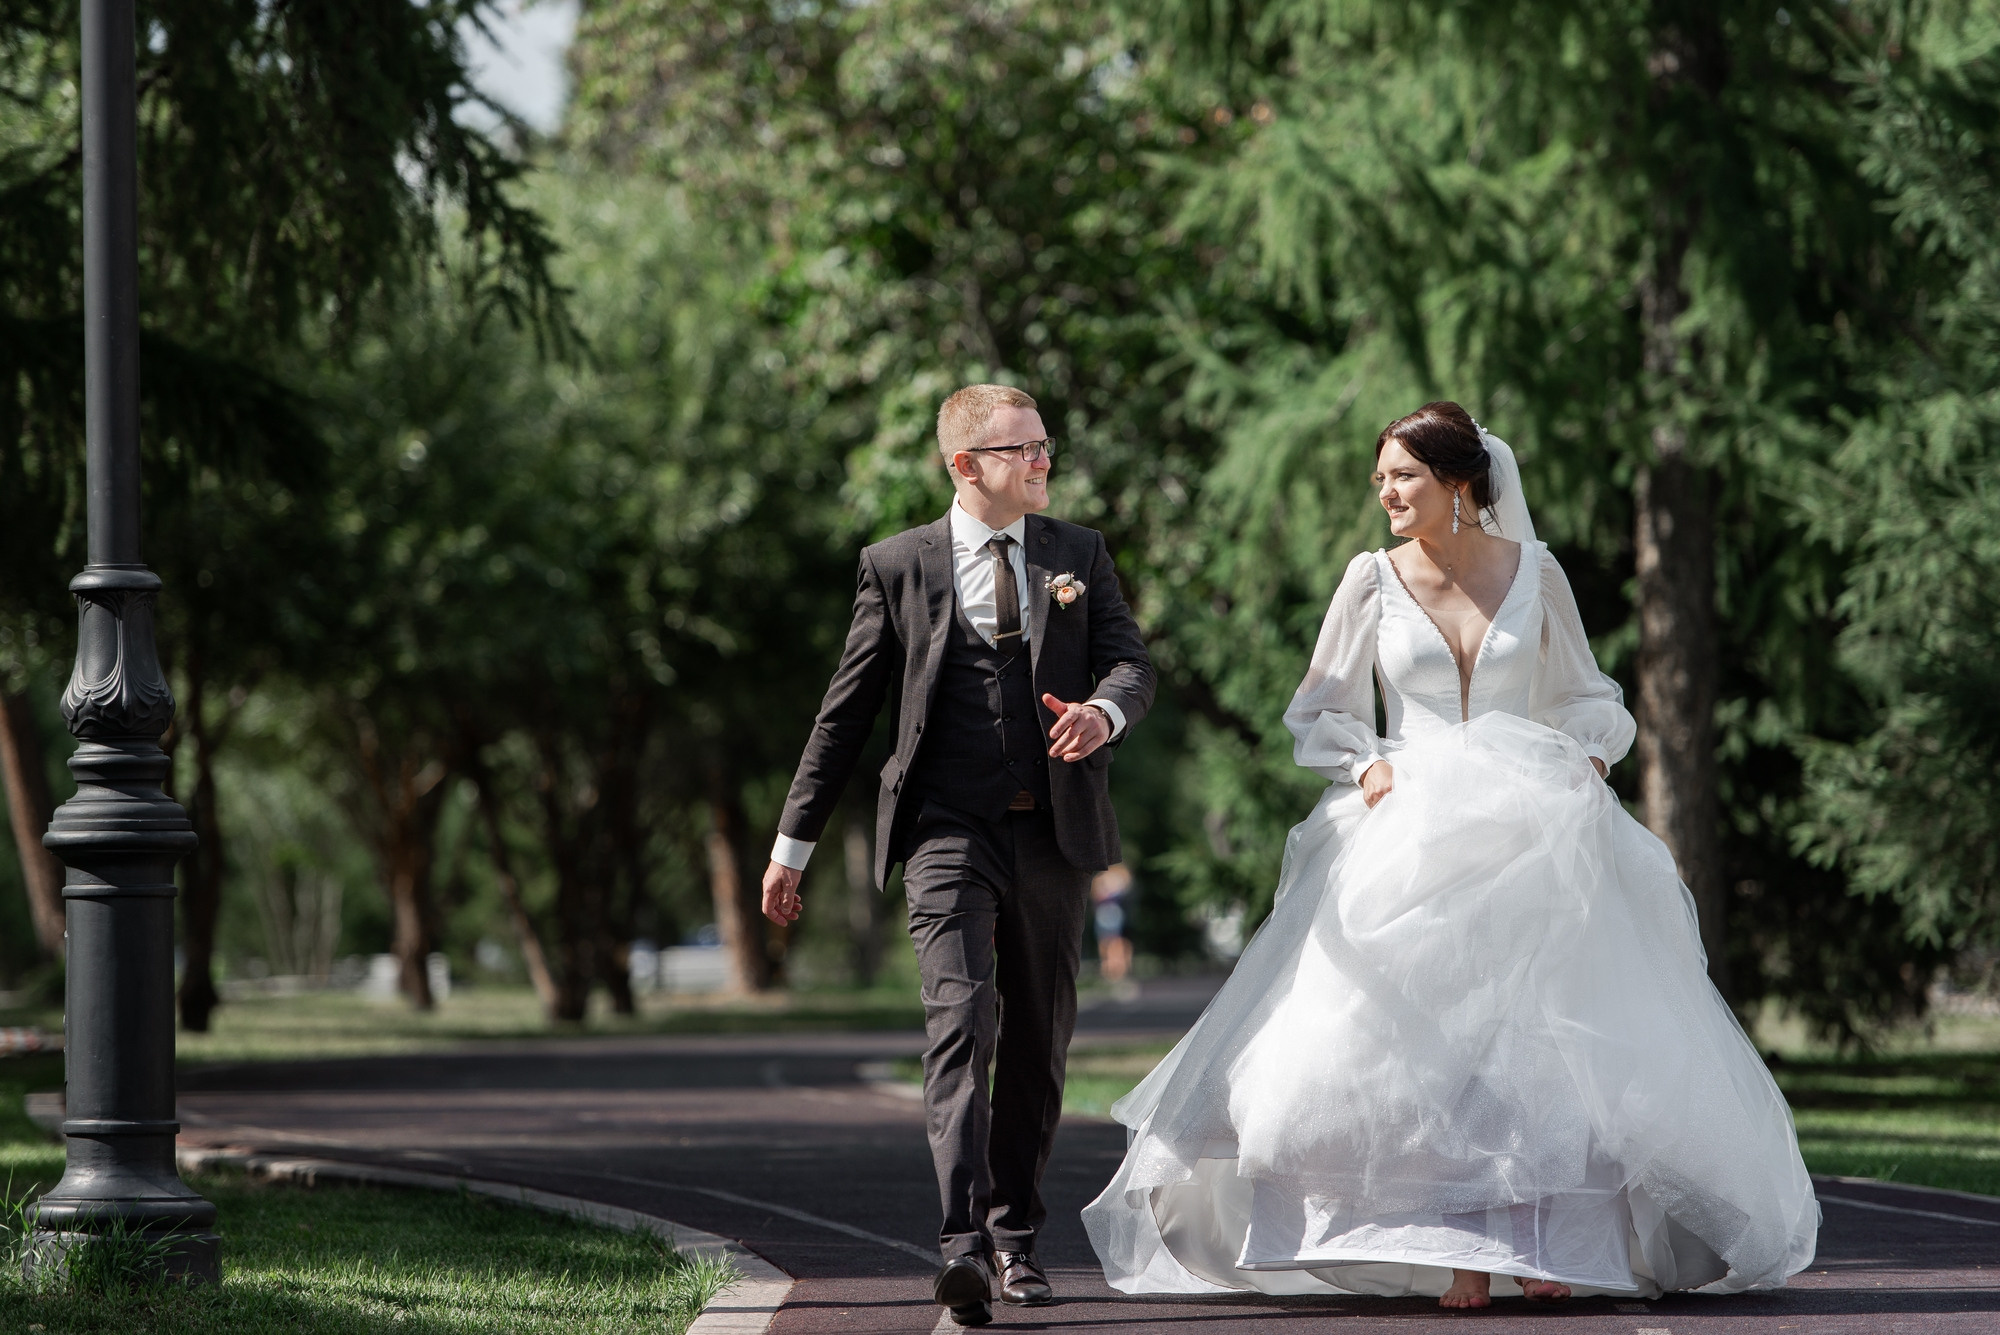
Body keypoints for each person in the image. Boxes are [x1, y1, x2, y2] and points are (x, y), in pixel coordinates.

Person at [1083, 402, 1818, 1308]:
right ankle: (1460, 1251)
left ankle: (1542, 1244)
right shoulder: (1369, 580)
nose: (1387, 493)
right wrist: (1368, 764)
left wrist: (1589, 754)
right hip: (1410, 822)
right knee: (1421, 1044)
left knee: (1541, 1041)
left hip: (1530, 821)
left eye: (1404, 476)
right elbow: (1318, 708)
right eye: (1381, 478)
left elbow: (1590, 692)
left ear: (1461, 483)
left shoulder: (1536, 572)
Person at [763, 384, 1155, 1326]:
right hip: (946, 831)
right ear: (964, 466)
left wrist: (1104, 711)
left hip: (1054, 838)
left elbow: (1132, 663)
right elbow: (844, 716)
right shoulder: (895, 565)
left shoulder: (1079, 553)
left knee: (1037, 1043)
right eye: (1021, 449)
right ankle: (962, 1244)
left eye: (1044, 445)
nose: (1042, 461)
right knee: (961, 1021)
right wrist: (792, 846)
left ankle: (1018, 1238)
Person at [1091, 863, 1136, 985]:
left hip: (1112, 921)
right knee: (1106, 946)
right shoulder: (1103, 890)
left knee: (1114, 946)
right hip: (1106, 920)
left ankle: (1116, 972)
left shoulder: (1116, 893)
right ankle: (1111, 972)